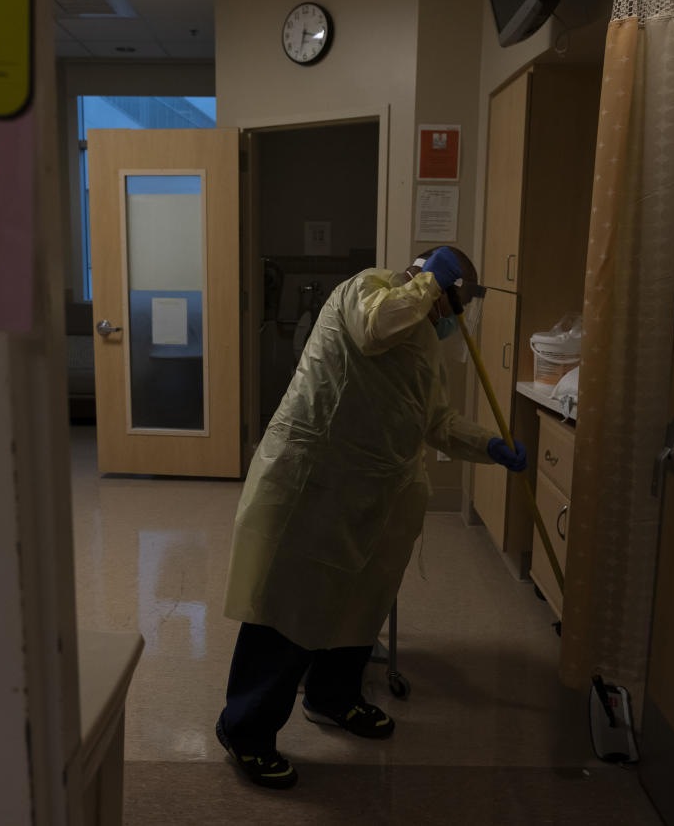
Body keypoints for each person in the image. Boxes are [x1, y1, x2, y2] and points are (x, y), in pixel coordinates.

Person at [215, 246, 528, 789]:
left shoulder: (426, 342)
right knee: (288, 608)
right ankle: (245, 732)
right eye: (458, 299)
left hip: (373, 500)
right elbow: (372, 330)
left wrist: (489, 445)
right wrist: (429, 283)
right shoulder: (368, 290)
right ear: (433, 279)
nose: (457, 317)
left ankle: (332, 699)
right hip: (314, 485)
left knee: (360, 606)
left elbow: (434, 420)